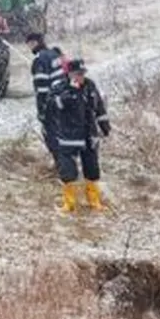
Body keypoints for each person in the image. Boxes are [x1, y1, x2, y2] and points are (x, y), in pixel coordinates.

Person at [50, 58, 111, 213]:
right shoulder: (60, 87)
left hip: (88, 135)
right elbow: (55, 106)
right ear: (69, 74)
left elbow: (99, 107)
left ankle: (94, 200)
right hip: (68, 136)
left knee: (92, 168)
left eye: (82, 73)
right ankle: (69, 203)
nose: (80, 77)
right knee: (68, 171)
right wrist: (71, 92)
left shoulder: (90, 86)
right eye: (77, 74)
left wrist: (104, 125)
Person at [26, 32, 66, 155]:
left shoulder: (40, 60)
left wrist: (42, 110)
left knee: (52, 135)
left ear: (34, 43)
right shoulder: (56, 55)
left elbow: (42, 89)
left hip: (51, 104)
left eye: (29, 44)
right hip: (64, 99)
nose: (29, 48)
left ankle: (62, 164)